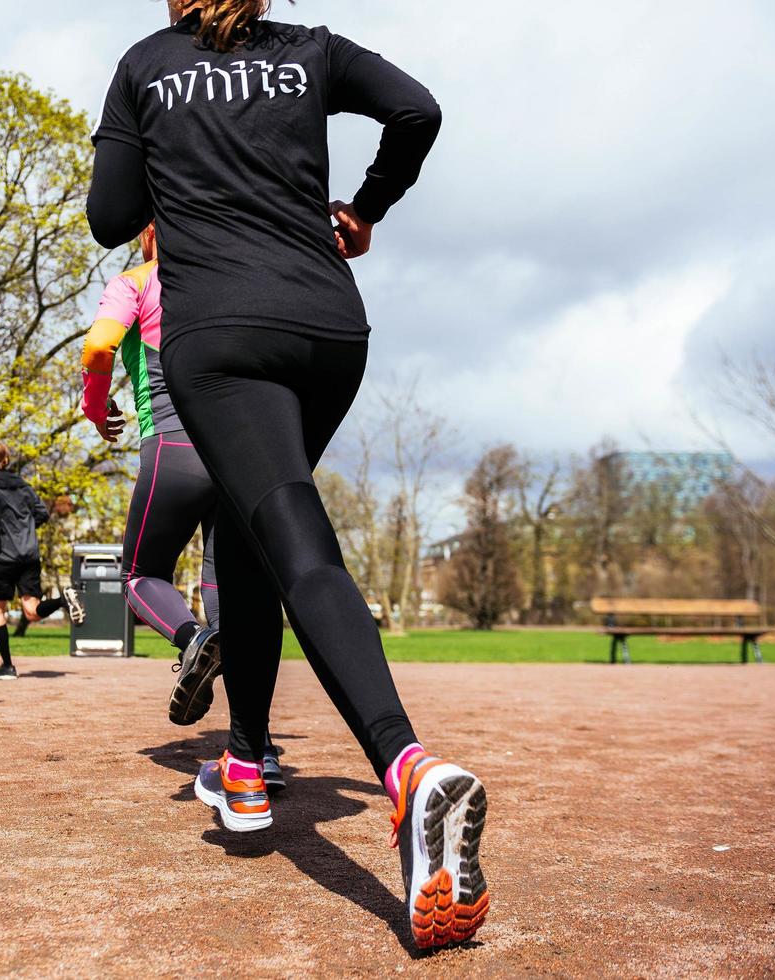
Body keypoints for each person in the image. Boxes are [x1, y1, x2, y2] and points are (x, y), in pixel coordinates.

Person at [87, 0, 486, 949]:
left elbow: (110, 216)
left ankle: (407, 769)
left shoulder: (147, 64)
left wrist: (169, 155)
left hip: (221, 334)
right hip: (329, 328)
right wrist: (364, 208)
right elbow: (418, 109)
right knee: (248, 526)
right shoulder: (312, 51)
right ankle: (246, 766)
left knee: (293, 538)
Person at [80, 222, 285, 791]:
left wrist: (96, 408)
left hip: (174, 445)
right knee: (229, 587)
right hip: (240, 451)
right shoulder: (224, 281)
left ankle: (193, 640)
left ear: (149, 232)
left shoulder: (137, 281)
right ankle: (259, 752)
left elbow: (98, 346)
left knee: (140, 574)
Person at [0, 441, 84, 680]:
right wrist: (25, 530)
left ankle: (7, 666)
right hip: (30, 554)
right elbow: (42, 513)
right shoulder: (23, 484)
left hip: (4, 556)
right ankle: (63, 600)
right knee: (32, 611)